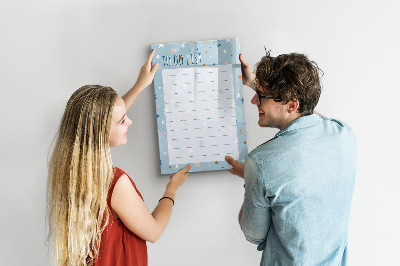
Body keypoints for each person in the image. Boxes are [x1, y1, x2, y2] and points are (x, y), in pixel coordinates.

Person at [46, 49, 191, 266]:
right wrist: (172, 189)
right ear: (101, 131)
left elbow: (105, 119)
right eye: (122, 121)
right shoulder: (115, 183)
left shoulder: (69, 170)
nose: (129, 122)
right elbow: (153, 231)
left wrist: (140, 85)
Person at [225, 51, 357, 265]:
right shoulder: (343, 134)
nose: (253, 100)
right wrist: (254, 84)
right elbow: (311, 114)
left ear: (292, 105)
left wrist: (252, 177)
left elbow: (253, 235)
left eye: (261, 96)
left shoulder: (260, 163)